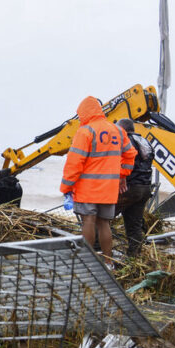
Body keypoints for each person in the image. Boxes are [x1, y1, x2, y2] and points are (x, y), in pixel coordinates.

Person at [60, 97, 136, 265]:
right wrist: (122, 174)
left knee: (88, 221)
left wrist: (66, 186)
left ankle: (87, 262)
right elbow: (131, 154)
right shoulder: (117, 131)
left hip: (88, 188)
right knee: (104, 224)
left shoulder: (85, 131)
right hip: (109, 188)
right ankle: (108, 263)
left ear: (85, 113)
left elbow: (74, 162)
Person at [115, 119, 154, 258]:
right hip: (145, 188)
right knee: (134, 225)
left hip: (130, 188)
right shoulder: (145, 141)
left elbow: (123, 161)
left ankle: (97, 252)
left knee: (102, 216)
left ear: (122, 129)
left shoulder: (126, 140)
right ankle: (134, 257)